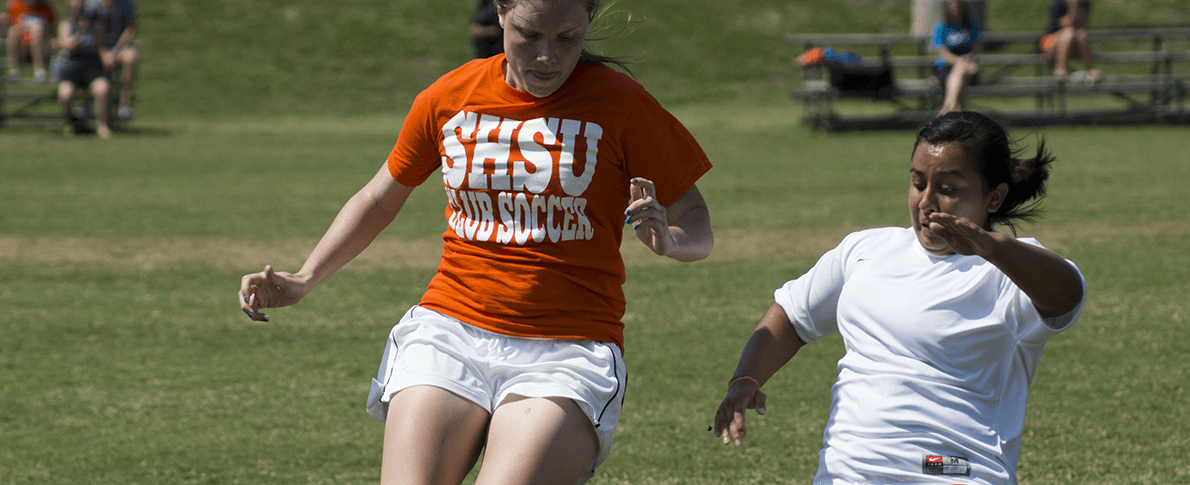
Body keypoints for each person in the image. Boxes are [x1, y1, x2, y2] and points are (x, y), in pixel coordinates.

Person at [238, 0, 714, 483]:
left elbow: (696, 222)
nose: (548, 56)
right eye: (530, 35)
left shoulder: (622, 104)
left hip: (568, 348)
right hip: (450, 331)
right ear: (500, 16)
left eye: (567, 39)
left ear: (586, 24)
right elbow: (380, 198)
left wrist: (668, 240)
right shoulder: (451, 95)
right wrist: (304, 277)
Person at [713, 111, 1085, 484]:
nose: (926, 202)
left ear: (994, 197)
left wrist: (993, 249)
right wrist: (745, 379)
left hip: (950, 473)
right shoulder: (866, 250)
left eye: (948, 189)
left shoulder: (1010, 269)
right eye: (918, 183)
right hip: (846, 474)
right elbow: (793, 316)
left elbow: (1066, 296)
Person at [56, 0, 110, 138]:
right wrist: (80, 32)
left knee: (102, 89)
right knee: (65, 94)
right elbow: (68, 46)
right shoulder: (66, 25)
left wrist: (91, 29)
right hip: (71, 68)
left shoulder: (96, 25)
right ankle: (71, 122)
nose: (78, 12)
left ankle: (102, 125)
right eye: (75, 9)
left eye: (80, 8)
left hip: (92, 67)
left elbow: (99, 44)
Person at [82, 0, 135, 120]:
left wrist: (115, 52)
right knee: (83, 56)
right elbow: (90, 29)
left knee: (130, 57)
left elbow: (129, 29)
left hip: (118, 47)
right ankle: (86, 105)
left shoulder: (127, 3)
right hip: (95, 46)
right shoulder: (92, 5)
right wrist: (103, 52)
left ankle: (124, 104)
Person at [931, 0, 981, 115]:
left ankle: (948, 108)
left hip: (968, 67)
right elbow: (944, 53)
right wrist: (961, 61)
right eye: (950, 4)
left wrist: (968, 59)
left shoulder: (970, 25)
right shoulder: (941, 26)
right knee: (961, 70)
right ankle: (955, 109)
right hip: (945, 67)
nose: (954, 7)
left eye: (956, 4)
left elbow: (976, 49)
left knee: (963, 71)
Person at [1041, 0, 1099, 84]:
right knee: (1069, 32)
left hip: (1072, 45)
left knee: (1081, 34)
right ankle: (1060, 70)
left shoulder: (1085, 3)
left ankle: (1090, 69)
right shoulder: (1059, 3)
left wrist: (1076, 6)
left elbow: (1082, 24)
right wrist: (1073, 7)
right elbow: (1066, 23)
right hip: (1049, 42)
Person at [5, 0, 57, 83]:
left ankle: (39, 70)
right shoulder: (13, 4)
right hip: (22, 48)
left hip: (42, 47)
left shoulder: (46, 5)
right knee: (12, 31)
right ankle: (14, 71)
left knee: (37, 29)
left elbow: (52, 31)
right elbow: (8, 23)